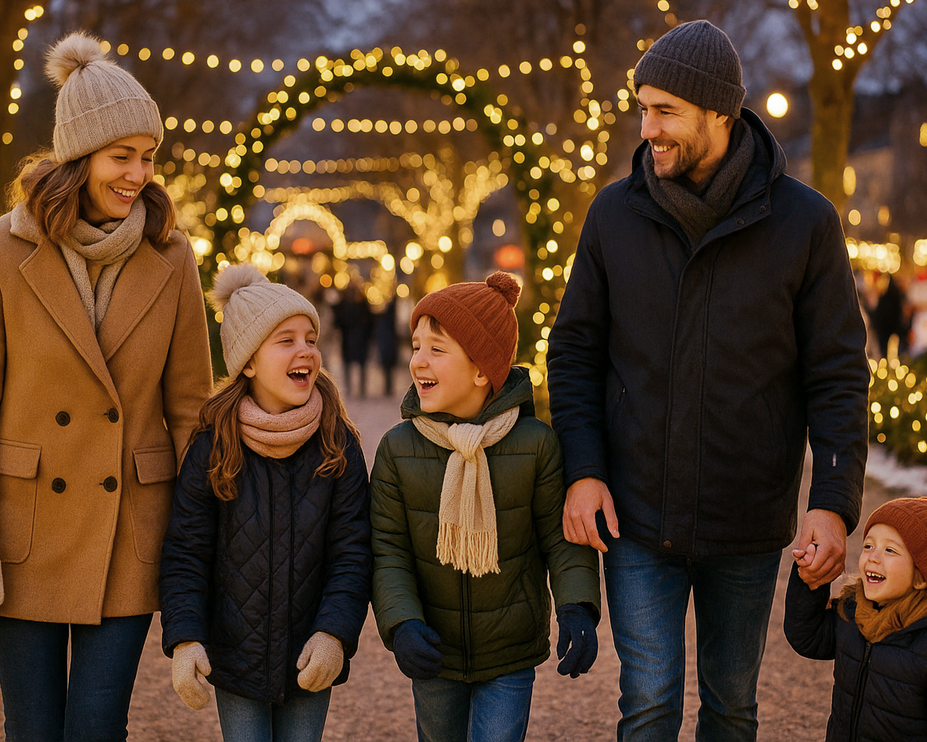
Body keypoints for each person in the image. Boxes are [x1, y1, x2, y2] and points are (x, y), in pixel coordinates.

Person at [546, 19, 870, 741]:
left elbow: (838, 373)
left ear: (719, 112)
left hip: (747, 516)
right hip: (634, 513)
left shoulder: (805, 222)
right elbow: (573, 355)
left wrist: (834, 502)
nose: (647, 128)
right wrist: (585, 471)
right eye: (642, 108)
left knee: (731, 705)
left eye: (665, 111)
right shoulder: (612, 215)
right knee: (650, 702)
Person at [0, 31, 214, 741]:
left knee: (97, 728)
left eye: (149, 157)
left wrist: (201, 540)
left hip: (128, 530)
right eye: (122, 156)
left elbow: (190, 409)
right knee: (31, 729)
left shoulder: (172, 254)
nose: (138, 175)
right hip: (23, 528)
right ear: (78, 155)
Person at [371, 273, 601, 742]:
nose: (418, 361)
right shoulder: (398, 449)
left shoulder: (535, 445)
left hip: (510, 651)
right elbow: (387, 549)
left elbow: (558, 538)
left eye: (437, 349)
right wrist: (403, 623)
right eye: (416, 347)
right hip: (433, 652)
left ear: (482, 370)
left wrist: (577, 606)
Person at [158, 264, 370, 742]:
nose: (305, 351)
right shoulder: (213, 447)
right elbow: (186, 552)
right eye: (286, 340)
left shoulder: (338, 445)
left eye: (310, 338)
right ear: (248, 362)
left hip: (309, 651)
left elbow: (353, 552)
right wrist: (187, 639)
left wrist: (334, 633)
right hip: (236, 656)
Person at [784, 495, 927, 740]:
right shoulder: (855, 612)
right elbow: (807, 636)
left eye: (890, 550)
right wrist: (811, 580)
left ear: (921, 577)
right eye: (868, 546)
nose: (873, 557)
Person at [333, 279, 374, 398]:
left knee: (361, 364)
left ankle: (361, 389)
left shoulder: (362, 304)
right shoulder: (343, 303)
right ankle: (350, 388)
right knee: (348, 364)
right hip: (348, 337)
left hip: (360, 338)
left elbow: (370, 321)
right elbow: (338, 320)